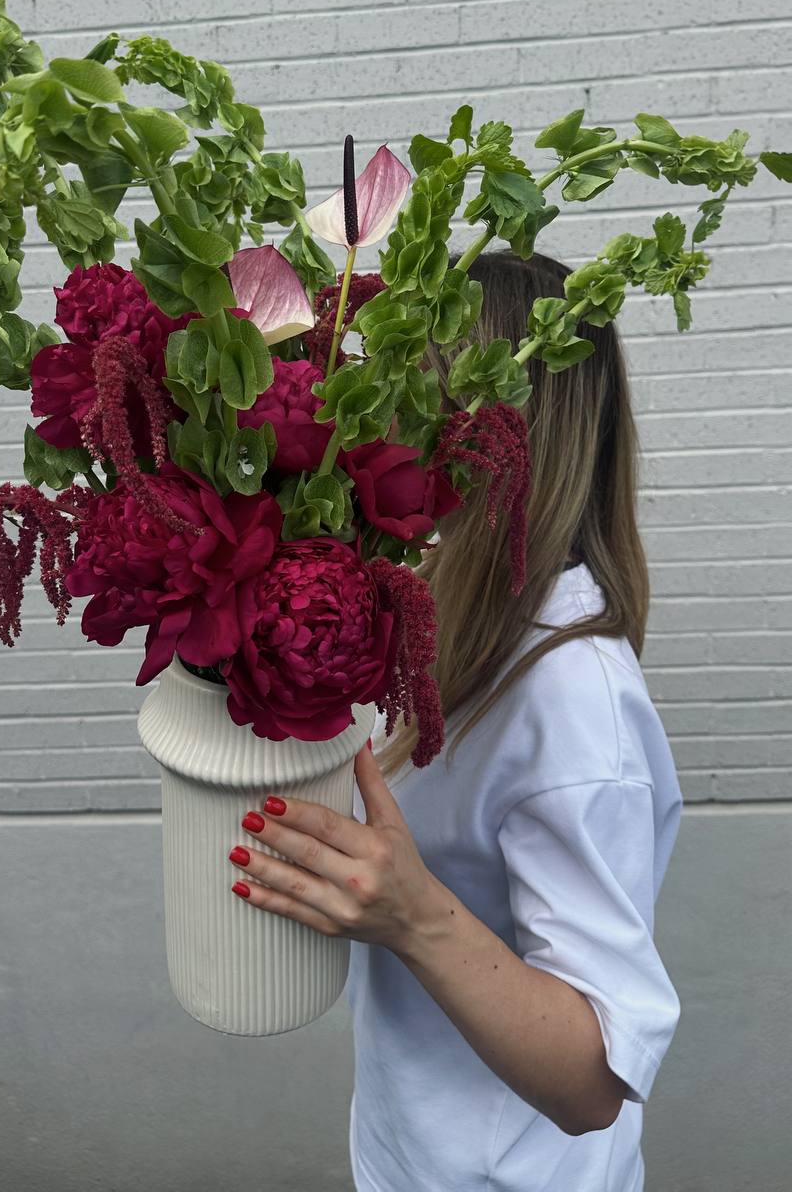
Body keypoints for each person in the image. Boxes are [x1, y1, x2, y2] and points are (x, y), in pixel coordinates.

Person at [226, 250, 683, 1191]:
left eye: (407, 384)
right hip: (412, 1152)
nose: (379, 419)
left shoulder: (573, 702)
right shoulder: (459, 614)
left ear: (485, 423)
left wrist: (413, 914)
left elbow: (597, 1077)